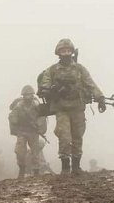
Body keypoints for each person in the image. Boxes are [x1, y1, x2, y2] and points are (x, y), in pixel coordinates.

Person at [38, 39, 106, 174]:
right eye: (63, 50)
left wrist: (100, 98)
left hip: (77, 107)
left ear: (72, 52)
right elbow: (44, 85)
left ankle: (76, 166)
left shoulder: (80, 69)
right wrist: (51, 90)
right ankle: (65, 167)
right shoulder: (52, 70)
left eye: (68, 50)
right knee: (64, 136)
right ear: (58, 52)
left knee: (78, 136)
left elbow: (90, 84)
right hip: (61, 108)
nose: (66, 53)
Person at [8, 85, 46, 178]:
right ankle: (22, 169)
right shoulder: (19, 106)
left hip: (33, 131)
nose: (28, 97)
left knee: (35, 152)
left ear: (33, 95)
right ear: (23, 96)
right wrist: (16, 121)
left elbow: (42, 117)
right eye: (26, 95)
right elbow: (12, 116)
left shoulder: (36, 105)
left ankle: (36, 171)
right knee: (20, 151)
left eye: (30, 95)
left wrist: (37, 125)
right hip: (22, 131)